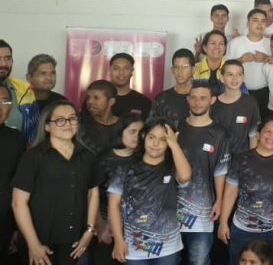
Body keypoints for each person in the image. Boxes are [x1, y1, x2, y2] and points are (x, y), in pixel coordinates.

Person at [12, 101, 98, 265]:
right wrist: (33, 244)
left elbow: (92, 193)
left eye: (72, 118)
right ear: (47, 126)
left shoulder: (87, 156)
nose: (68, 124)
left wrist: (89, 230)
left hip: (74, 240)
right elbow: (18, 203)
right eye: (60, 120)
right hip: (40, 240)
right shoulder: (32, 157)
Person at [218, 117, 273, 265]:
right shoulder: (241, 159)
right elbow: (230, 192)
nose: (271, 136)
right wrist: (223, 222)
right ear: (258, 135)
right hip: (244, 229)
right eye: (267, 131)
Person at [108, 118, 192, 264]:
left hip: (168, 248)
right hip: (134, 249)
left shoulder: (173, 167)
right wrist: (119, 240)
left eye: (163, 139)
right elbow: (113, 205)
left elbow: (185, 177)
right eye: (152, 137)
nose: (155, 143)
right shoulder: (125, 168)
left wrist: (174, 144)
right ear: (143, 137)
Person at [177, 81, 230, 265]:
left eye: (202, 98)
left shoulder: (219, 133)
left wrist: (220, 200)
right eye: (193, 98)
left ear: (212, 100)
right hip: (169, 212)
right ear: (187, 99)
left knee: (198, 261)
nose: (197, 102)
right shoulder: (176, 129)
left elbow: (220, 171)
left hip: (203, 214)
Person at [92, 115, 143, 265]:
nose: (137, 136)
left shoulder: (143, 158)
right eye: (132, 131)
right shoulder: (103, 159)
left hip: (136, 230)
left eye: (141, 132)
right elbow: (92, 194)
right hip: (106, 226)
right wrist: (100, 225)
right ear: (121, 132)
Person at [211, 60, 260, 155]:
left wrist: (252, 159)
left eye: (239, 74)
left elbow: (253, 136)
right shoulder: (213, 103)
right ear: (222, 78)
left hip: (243, 158)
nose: (235, 78)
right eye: (230, 74)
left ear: (243, 78)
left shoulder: (251, 103)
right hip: (218, 157)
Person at [0, 85, 26, 264]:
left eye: (4, 102)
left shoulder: (17, 139)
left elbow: (20, 186)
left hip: (5, 223)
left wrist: (18, 227)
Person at [227, 9, 272, 112]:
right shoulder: (235, 43)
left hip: (265, 92)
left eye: (263, 21)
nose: (259, 24)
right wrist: (241, 60)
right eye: (255, 20)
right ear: (247, 23)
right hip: (239, 91)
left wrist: (265, 58)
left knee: (263, 120)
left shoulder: (270, 43)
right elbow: (225, 67)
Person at [23, 54, 67, 141]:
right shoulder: (20, 101)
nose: (49, 78)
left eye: (52, 73)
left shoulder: (62, 102)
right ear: (29, 78)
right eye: (43, 73)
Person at [150, 48, 196, 129]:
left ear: (193, 70)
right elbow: (151, 127)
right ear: (172, 70)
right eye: (176, 67)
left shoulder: (201, 97)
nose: (180, 71)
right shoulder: (162, 99)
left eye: (185, 67)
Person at [0, 40, 36, 134]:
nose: (3, 64)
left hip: (17, 143)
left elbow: (33, 132)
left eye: (8, 58)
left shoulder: (25, 90)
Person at [106, 53, 152, 120]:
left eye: (126, 68)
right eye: (116, 68)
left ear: (132, 71)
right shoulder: (99, 99)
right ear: (110, 71)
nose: (121, 73)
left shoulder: (143, 102)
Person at [80, 79, 121, 154]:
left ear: (111, 102)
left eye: (96, 98)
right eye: (88, 97)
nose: (90, 101)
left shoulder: (124, 126)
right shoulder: (80, 125)